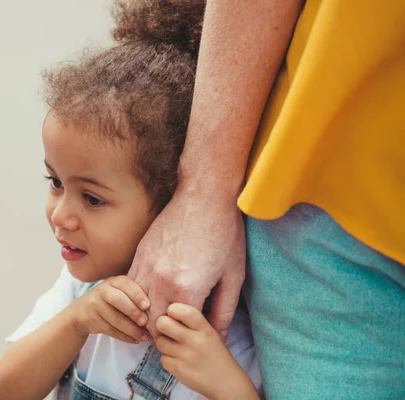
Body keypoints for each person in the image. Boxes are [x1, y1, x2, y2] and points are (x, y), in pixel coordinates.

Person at [128, 0, 405, 398]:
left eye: (92, 198)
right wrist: (204, 188)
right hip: (336, 206)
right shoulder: (85, 297)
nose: (60, 217)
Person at [0, 1, 262, 398]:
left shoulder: (225, 336)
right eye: (54, 182)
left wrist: (227, 385)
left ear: (173, 206)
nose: (61, 216)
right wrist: (75, 323)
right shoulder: (77, 294)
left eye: (92, 198)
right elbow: (11, 389)